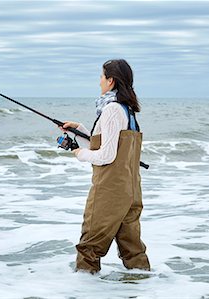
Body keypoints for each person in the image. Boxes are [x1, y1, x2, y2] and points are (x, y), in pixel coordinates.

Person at [59, 59, 150, 273]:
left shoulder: (111, 110)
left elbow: (106, 156)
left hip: (109, 190)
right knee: (133, 250)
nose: (99, 81)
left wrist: (79, 154)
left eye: (101, 76)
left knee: (89, 248)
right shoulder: (127, 111)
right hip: (131, 190)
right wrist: (79, 129)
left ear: (110, 81)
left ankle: (83, 292)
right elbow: (110, 147)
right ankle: (143, 289)